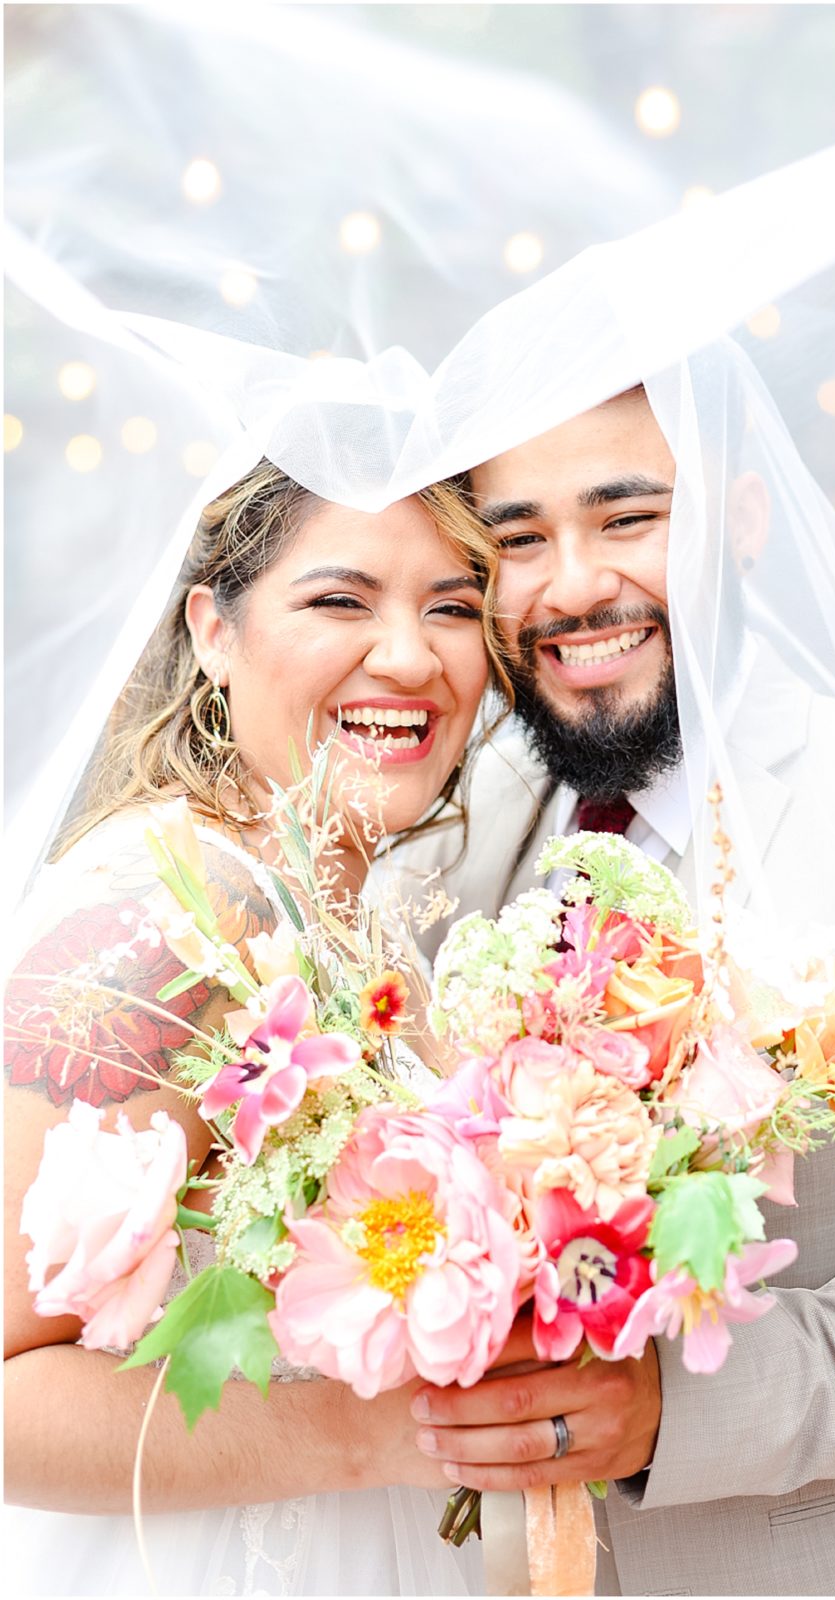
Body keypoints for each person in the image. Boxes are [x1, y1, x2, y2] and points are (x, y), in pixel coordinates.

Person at [384, 380, 835, 1597]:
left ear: (745, 517)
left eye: (629, 517)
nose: (573, 584)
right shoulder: (469, 832)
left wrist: (675, 1412)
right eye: (521, 538)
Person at [3, 461, 512, 1596]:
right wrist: (382, 1433)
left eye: (451, 604)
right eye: (342, 600)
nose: (411, 656)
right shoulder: (156, 921)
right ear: (213, 631)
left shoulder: (349, 915)